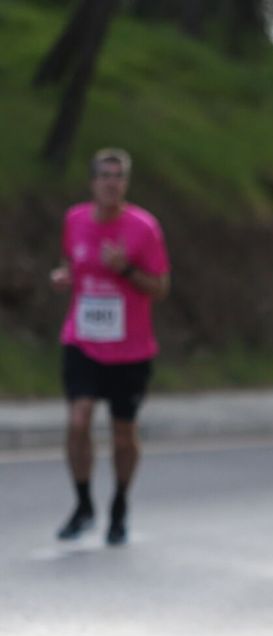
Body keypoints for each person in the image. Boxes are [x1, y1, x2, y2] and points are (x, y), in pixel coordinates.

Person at [50, 147, 171, 545]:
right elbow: (73, 263)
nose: (111, 183)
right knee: (79, 419)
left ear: (125, 184)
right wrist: (64, 276)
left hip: (131, 349)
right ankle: (84, 505)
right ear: (93, 182)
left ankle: (120, 503)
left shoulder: (144, 228)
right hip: (83, 339)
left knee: (123, 433)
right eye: (104, 175)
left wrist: (125, 270)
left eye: (118, 176)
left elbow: (160, 287)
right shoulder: (75, 220)